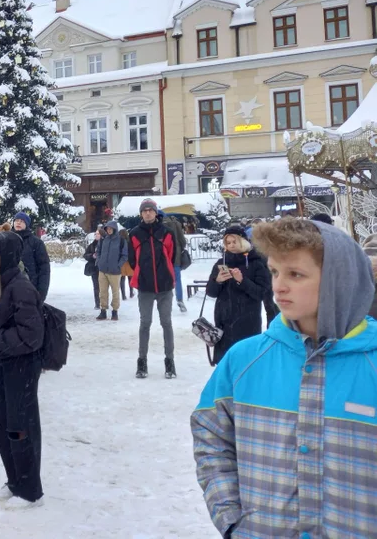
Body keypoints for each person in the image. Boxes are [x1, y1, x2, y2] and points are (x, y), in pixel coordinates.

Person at [191, 218, 377, 538]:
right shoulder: (243, 359)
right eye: (276, 271)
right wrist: (232, 518)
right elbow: (211, 438)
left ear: (339, 280)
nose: (279, 285)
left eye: (296, 274)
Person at [0, 231, 45, 510]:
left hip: (21, 368)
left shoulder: (21, 288)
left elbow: (31, 335)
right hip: (4, 365)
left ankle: (30, 490)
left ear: (7, 257)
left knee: (20, 427)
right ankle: (14, 479)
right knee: (2, 423)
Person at [204, 226, 272, 366]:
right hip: (224, 322)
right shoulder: (221, 263)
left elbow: (262, 293)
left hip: (247, 322)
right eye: (228, 243)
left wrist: (242, 281)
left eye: (234, 241)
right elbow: (211, 292)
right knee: (225, 365)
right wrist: (218, 281)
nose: (231, 245)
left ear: (243, 241)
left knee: (246, 364)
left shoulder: (256, 263)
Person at [128, 198, 177, 379]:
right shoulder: (134, 234)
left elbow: (171, 257)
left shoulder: (167, 232)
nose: (148, 213)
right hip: (145, 287)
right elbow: (133, 260)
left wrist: (165, 273)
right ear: (141, 213)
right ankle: (142, 362)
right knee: (145, 324)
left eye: (151, 210)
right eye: (144, 210)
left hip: (164, 287)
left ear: (156, 213)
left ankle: (170, 362)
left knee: (166, 323)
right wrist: (142, 274)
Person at [12, 212, 50, 301]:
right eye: (16, 220)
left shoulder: (36, 243)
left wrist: (41, 293)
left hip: (30, 288)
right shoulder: (7, 240)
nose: (18, 223)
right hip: (10, 289)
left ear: (27, 224)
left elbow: (44, 268)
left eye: (21, 221)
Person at [95, 221, 127, 321]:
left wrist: (118, 265)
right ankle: (103, 311)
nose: (108, 230)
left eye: (110, 228)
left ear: (114, 229)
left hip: (115, 271)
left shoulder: (121, 240)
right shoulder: (103, 239)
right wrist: (99, 261)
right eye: (107, 229)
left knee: (115, 292)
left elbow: (124, 255)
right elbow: (98, 251)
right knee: (103, 292)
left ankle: (115, 312)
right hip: (103, 270)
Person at [161, 212, 188, 312]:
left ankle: (164, 302)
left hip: (163, 256)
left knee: (163, 279)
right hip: (175, 255)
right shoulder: (175, 223)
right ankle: (180, 299)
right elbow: (182, 240)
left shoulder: (157, 225)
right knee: (177, 279)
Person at [83, 228, 102, 310]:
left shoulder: (105, 244)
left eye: (98, 234)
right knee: (96, 286)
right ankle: (97, 303)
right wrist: (92, 256)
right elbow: (85, 255)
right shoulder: (92, 245)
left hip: (103, 268)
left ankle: (104, 302)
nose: (96, 235)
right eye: (95, 234)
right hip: (94, 268)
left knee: (103, 287)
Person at [117, 228, 133, 300]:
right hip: (129, 262)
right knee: (130, 278)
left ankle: (123, 295)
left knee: (122, 279)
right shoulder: (130, 242)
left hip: (122, 261)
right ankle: (131, 292)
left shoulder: (118, 242)